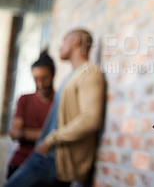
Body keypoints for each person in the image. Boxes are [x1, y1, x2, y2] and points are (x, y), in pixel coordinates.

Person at [6, 29, 106, 187]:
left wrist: (51, 139)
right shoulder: (73, 75)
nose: (60, 46)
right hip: (47, 155)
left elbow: (91, 119)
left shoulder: (90, 73)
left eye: (64, 41)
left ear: (76, 41)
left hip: (55, 158)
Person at [7, 51, 55, 178]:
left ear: (53, 75)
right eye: (36, 79)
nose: (40, 84)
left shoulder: (59, 102)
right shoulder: (24, 99)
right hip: (21, 161)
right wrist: (48, 136)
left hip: (48, 164)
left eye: (44, 78)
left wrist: (25, 133)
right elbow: (14, 134)